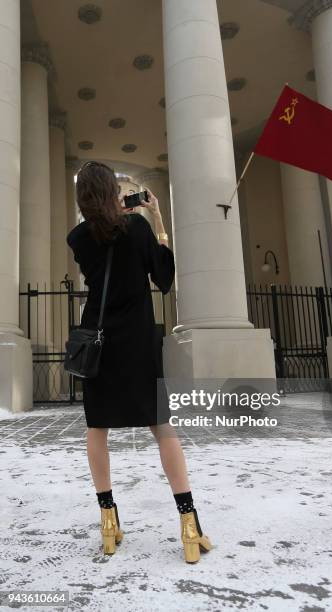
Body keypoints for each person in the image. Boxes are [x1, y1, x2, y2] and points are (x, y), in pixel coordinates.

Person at [66, 161, 212, 562]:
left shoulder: (77, 237)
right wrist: (157, 220)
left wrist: (119, 221)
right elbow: (163, 277)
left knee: (97, 428)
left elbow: (100, 244)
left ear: (83, 197)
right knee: (162, 427)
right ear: (114, 193)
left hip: (98, 343)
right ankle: (188, 525)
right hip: (137, 341)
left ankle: (109, 522)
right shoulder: (139, 229)